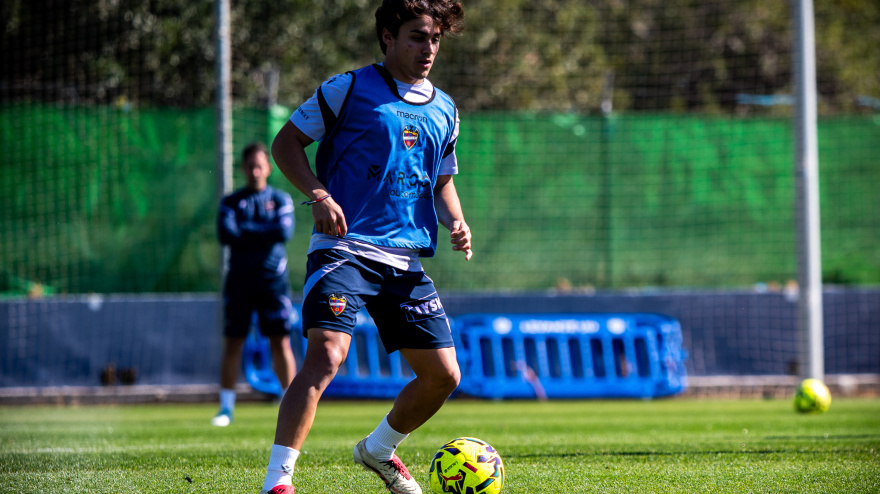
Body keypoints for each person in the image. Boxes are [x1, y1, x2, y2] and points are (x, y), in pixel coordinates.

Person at [260, 0, 469, 492]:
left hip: (404, 259)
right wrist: (319, 193)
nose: (428, 48)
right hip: (345, 248)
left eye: (435, 38)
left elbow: (440, 180)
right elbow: (285, 144)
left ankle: (377, 450)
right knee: (326, 355)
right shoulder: (347, 88)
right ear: (387, 37)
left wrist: (457, 221)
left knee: (443, 376)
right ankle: (278, 482)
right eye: (417, 36)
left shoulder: (445, 110)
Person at [213, 142, 297, 427]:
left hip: (273, 282)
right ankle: (226, 409)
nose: (255, 171)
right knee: (233, 341)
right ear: (242, 168)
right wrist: (264, 231)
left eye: (259, 165)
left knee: (280, 341)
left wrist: (246, 230)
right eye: (250, 166)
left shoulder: (282, 199)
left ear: (268, 169)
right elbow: (226, 234)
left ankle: (291, 406)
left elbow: (283, 231)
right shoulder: (230, 202)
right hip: (239, 282)